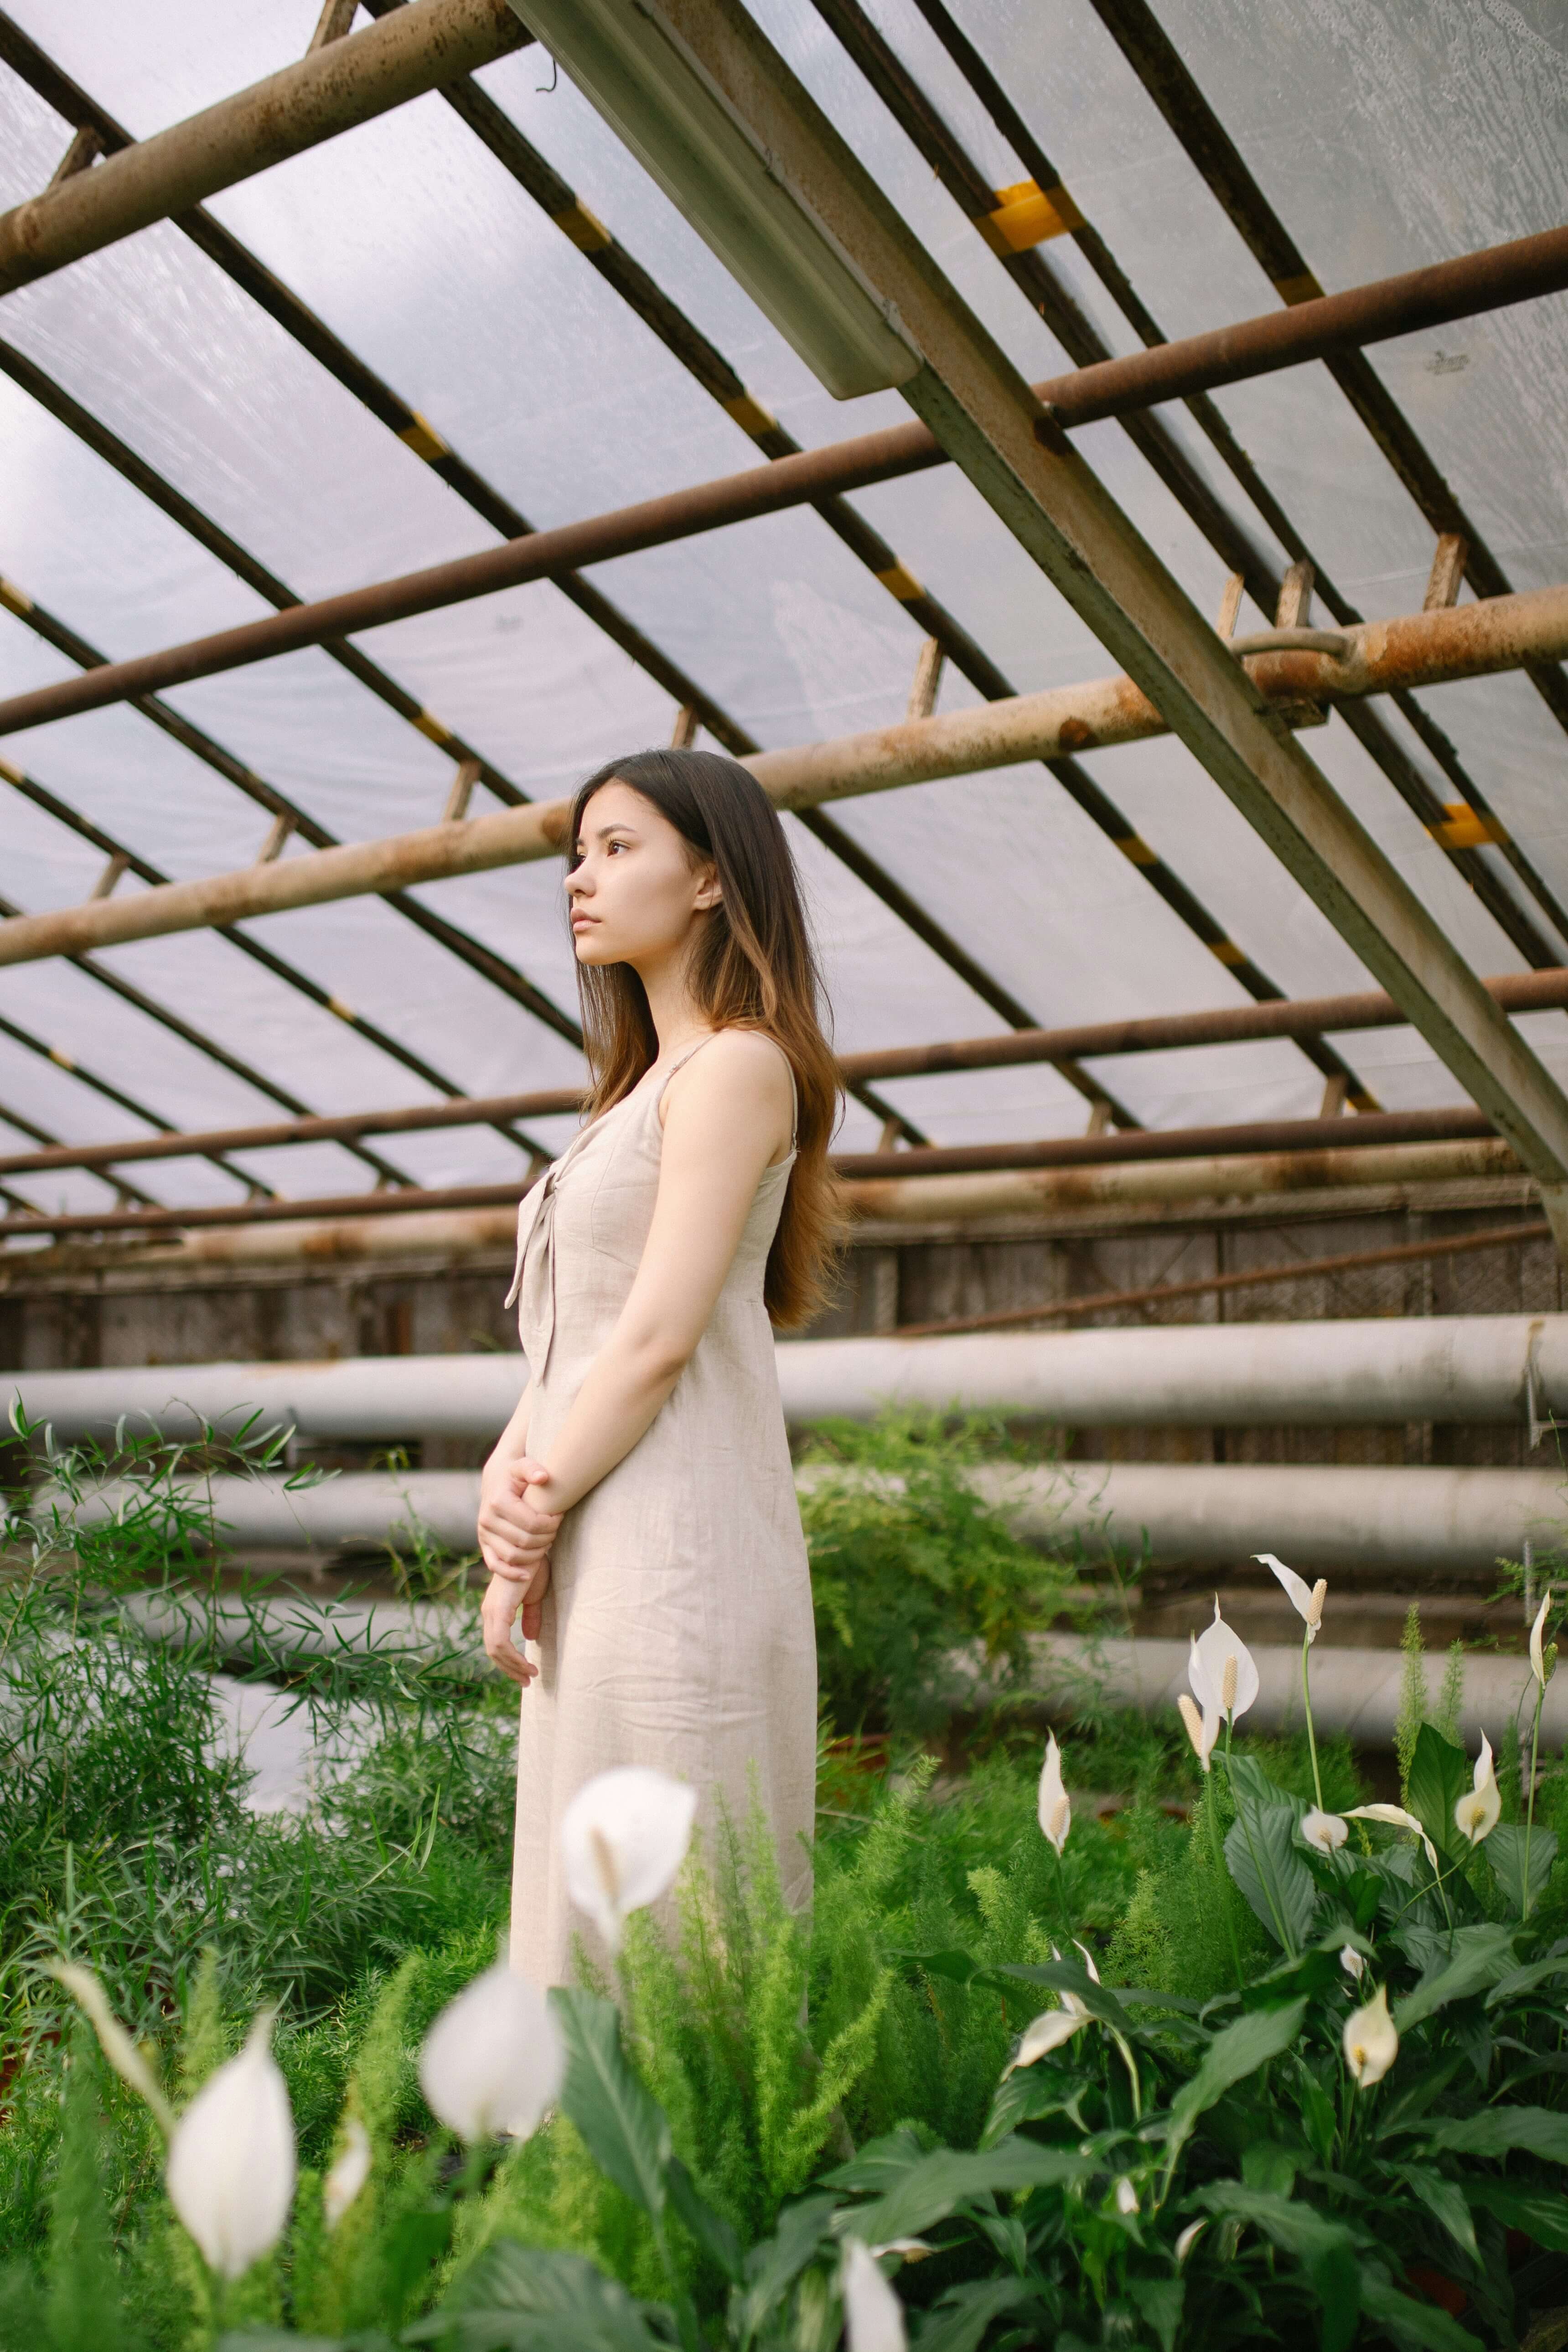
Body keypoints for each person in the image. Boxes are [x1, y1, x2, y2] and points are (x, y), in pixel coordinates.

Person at [477, 747, 839, 1988]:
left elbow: (657, 1335)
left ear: (707, 879)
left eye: (618, 846)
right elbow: (571, 1332)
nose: (581, 877)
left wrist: (530, 1512)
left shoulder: (738, 1065)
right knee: (590, 1865)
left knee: (684, 1872)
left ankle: (704, 2173)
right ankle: (588, 2164)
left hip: (674, 1528)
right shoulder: (631, 1095)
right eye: (578, 853)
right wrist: (510, 1471)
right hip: (596, 1512)